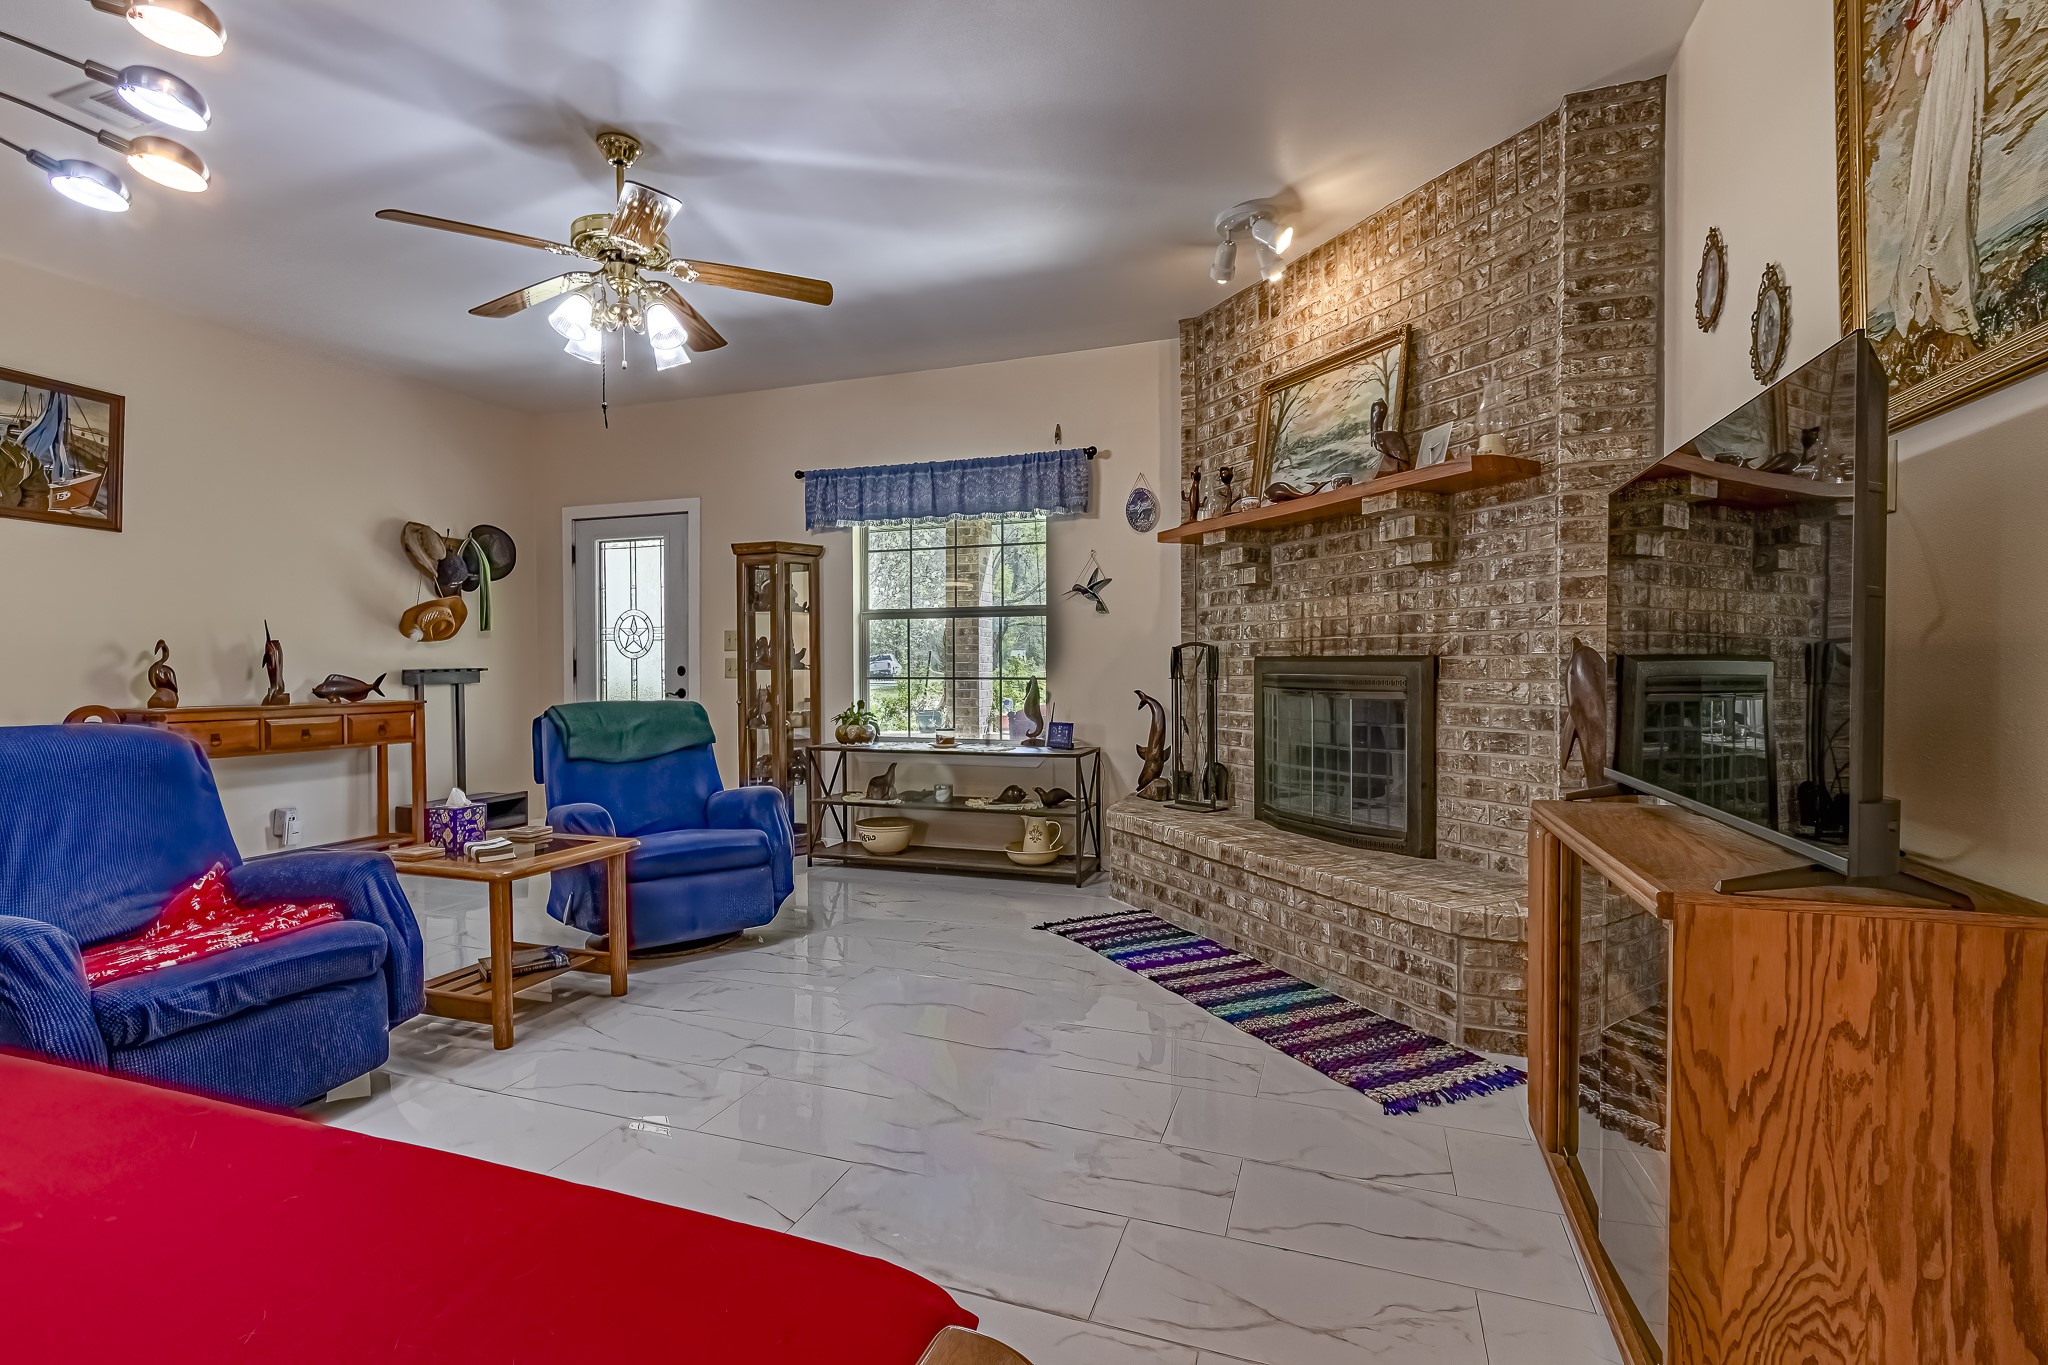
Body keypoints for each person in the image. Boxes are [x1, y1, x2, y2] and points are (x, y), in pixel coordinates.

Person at [1876, 0, 1988, 343]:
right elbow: (1921, 65)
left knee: (1948, 169)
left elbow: (1922, 61)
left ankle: (1946, 283)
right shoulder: (1934, 12)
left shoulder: (1960, 13)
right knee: (1936, 171)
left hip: (1956, 68)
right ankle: (1933, 285)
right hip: (1945, 78)